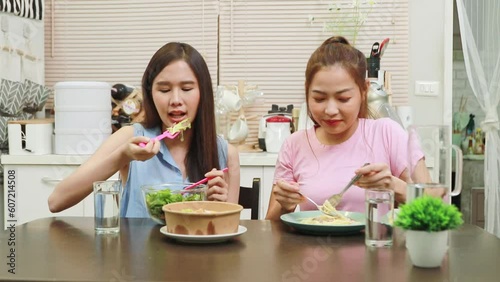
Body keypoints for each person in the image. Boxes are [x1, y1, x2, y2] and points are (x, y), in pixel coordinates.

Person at [48, 42, 240, 217]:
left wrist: (219, 208)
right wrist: (123, 156)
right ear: (150, 94)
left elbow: (227, 234)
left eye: (187, 89)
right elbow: (56, 201)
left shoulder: (225, 153)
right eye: (164, 90)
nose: (175, 100)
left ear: (203, 93)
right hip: (136, 254)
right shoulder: (131, 138)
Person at [265, 36, 429, 220]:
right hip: (310, 248)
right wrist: (285, 207)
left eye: (343, 99)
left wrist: (394, 186)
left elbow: (435, 208)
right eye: (319, 99)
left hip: (374, 246)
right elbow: (270, 226)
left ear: (364, 91)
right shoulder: (294, 144)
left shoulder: (388, 133)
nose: (330, 110)